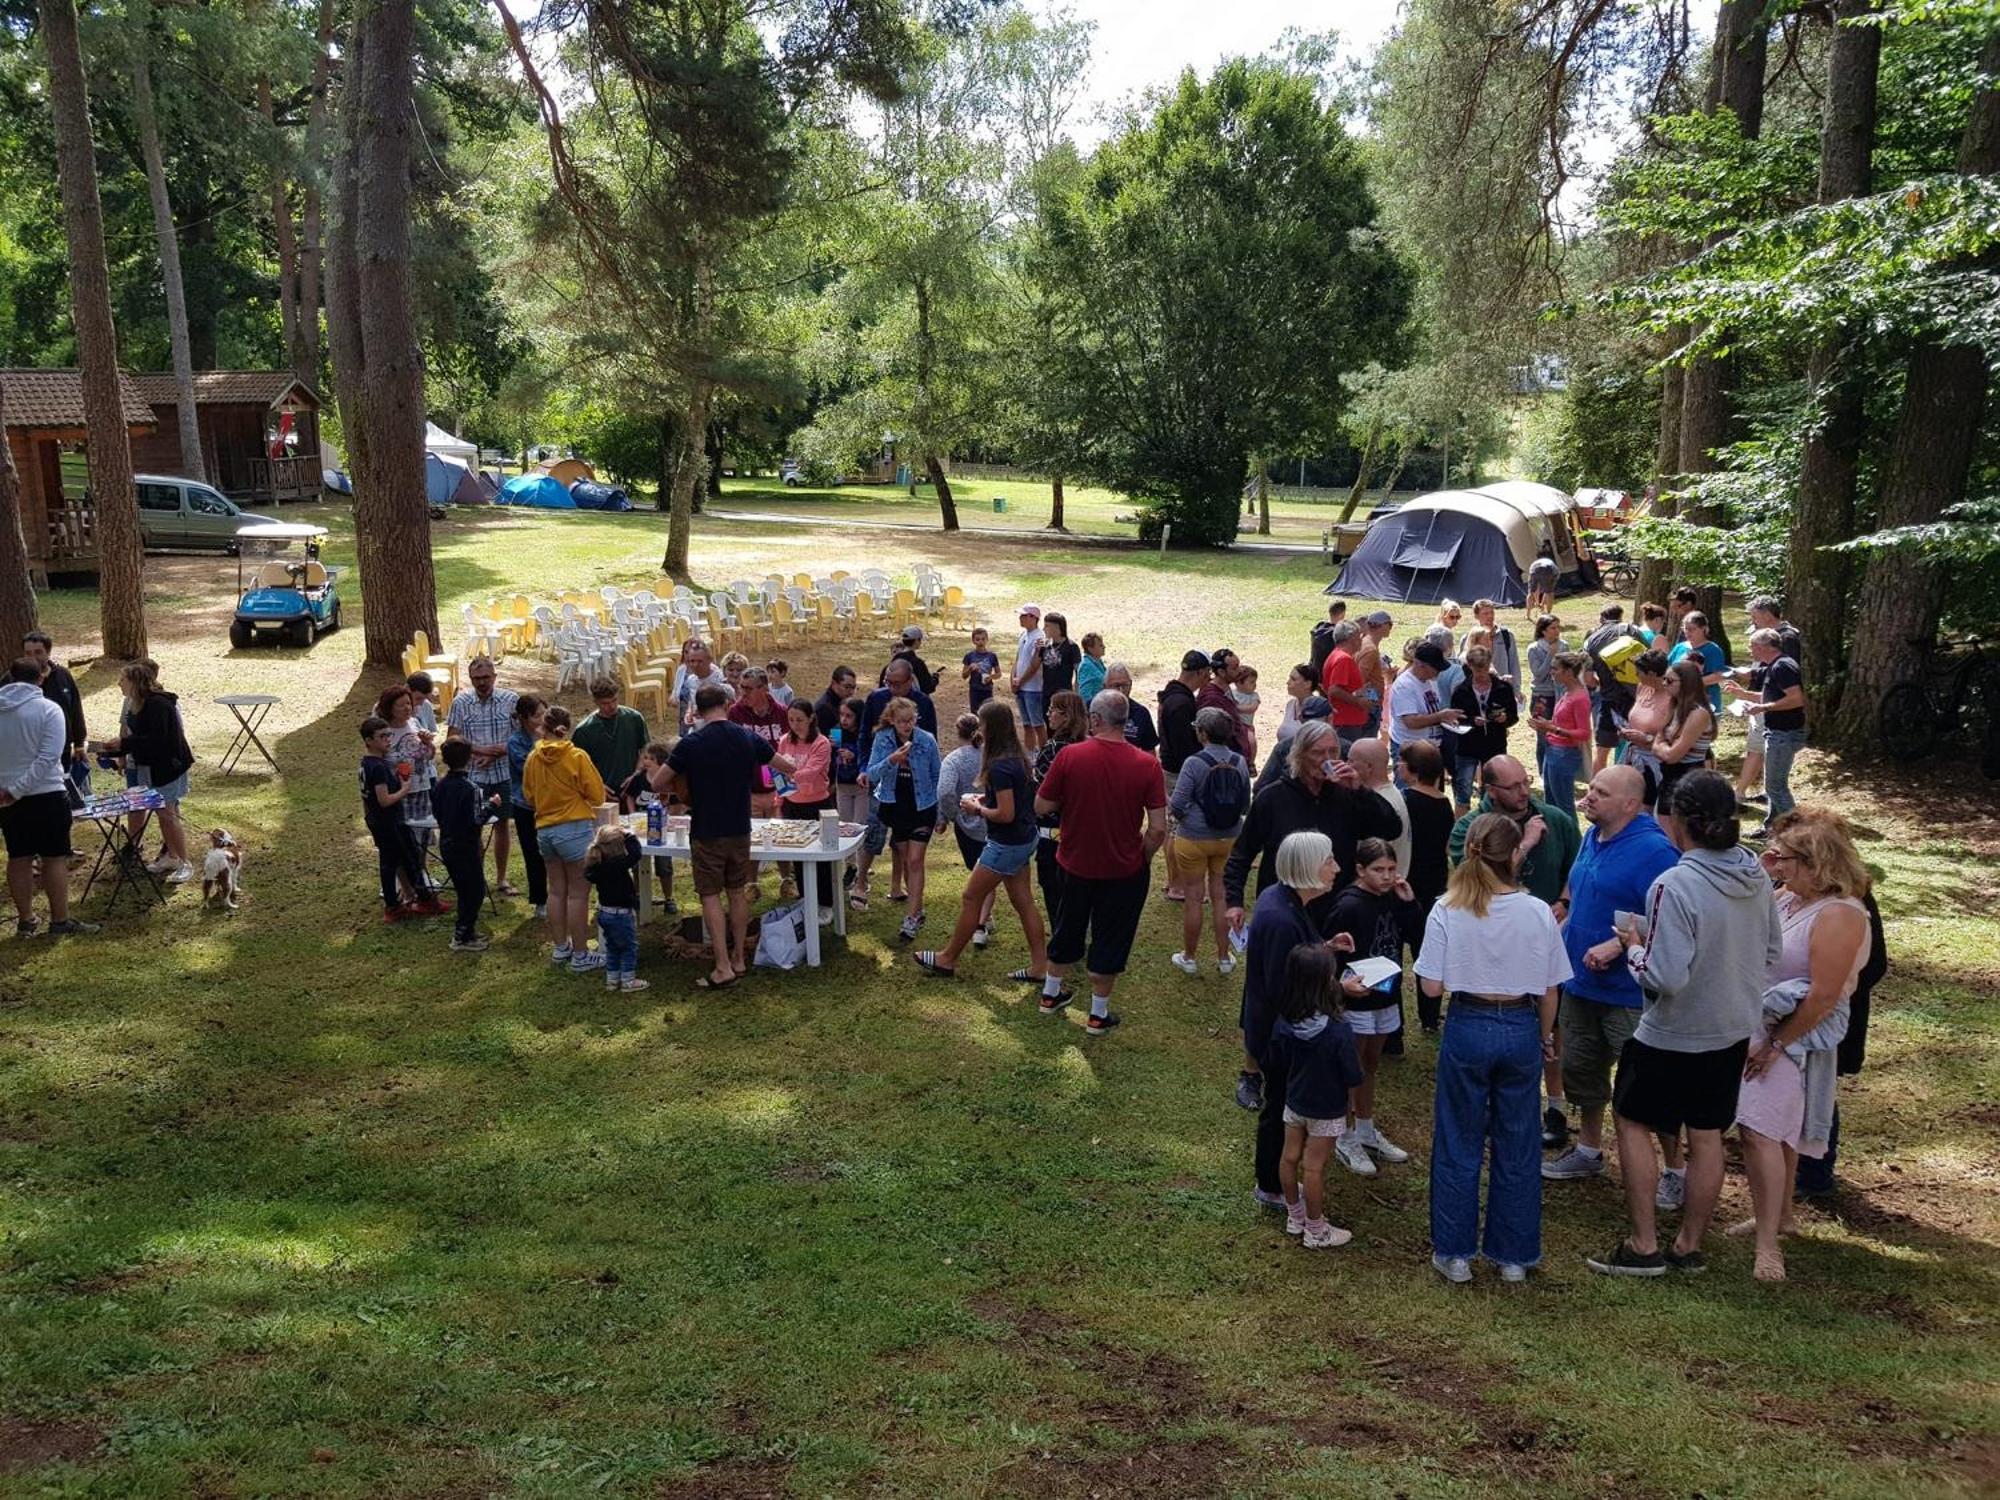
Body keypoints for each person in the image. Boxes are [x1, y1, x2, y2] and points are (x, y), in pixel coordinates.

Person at [1587, 772, 1781, 1278]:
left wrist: (1633, 945)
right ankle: (1688, 1245)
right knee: (1707, 1134)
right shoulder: (1757, 874)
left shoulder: (1673, 884)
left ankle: (1644, 1244)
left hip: (1673, 1032)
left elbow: (1664, 975)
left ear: (1676, 820)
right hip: (1732, 1027)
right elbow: (1771, 951)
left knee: (1631, 1120)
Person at [1417, 812, 1571, 1284]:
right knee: (1518, 1141)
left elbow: (1430, 988)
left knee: (1458, 1138)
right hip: (1521, 1025)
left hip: (1468, 1022)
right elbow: (1550, 990)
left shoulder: (1447, 907)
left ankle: (1456, 1252)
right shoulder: (1538, 911)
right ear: (1516, 856)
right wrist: (1544, 1036)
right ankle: (1513, 1256)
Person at [1729, 809, 1872, 1282]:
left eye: (1785, 857)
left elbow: (1824, 995)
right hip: (1761, 1025)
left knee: (1759, 1130)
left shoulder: (1841, 913)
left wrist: (1775, 1042)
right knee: (1778, 1129)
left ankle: (1768, 1247)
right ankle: (1781, 1214)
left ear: (1816, 862)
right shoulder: (1788, 896)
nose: (1776, 862)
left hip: (1793, 1036)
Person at [1543, 766, 1685, 1193]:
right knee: (1582, 1070)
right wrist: (1566, 910)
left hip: (1628, 993)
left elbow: (1670, 917)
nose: (1588, 797)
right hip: (1581, 983)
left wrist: (1619, 945)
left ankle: (1675, 1170)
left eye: (1600, 793)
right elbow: (1580, 878)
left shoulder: (1656, 852)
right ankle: (1588, 1149)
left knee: (1647, 1084)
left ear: (1629, 804)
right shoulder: (1593, 834)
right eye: (1590, 789)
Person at [1032, 691, 1168, 1037]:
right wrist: (1144, 857)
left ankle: (1050, 994)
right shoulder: (1147, 764)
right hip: (1123, 870)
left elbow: (1040, 806)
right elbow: (1157, 828)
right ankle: (1097, 1014)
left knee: (1067, 927)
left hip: (1074, 862)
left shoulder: (1070, 756)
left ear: (1094, 719)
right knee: (1110, 938)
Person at [912, 701, 1051, 985]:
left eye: (982, 724)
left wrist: (977, 809)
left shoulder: (1000, 766)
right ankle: (1041, 966)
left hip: (1005, 844)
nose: (979, 729)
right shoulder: (1017, 757)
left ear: (991, 728)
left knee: (971, 897)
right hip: (1024, 839)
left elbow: (1005, 813)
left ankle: (947, 958)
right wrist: (983, 800)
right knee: (1023, 901)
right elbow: (1011, 803)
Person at [1243, 831, 1348, 1206]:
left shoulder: (1284, 901)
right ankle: (1271, 1184)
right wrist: (1340, 990)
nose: (1336, 868)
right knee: (1280, 1108)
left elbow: (1294, 960)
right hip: (1280, 1038)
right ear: (1308, 867)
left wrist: (1325, 948)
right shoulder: (1282, 917)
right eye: (1329, 861)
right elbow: (1283, 987)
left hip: (1275, 1030)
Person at [666, 684, 792, 988]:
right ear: (727, 702)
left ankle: (721, 965)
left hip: (707, 830)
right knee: (737, 891)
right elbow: (785, 766)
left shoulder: (690, 744)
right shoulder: (747, 737)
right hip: (740, 828)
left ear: (697, 709)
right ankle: (738, 958)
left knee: (710, 895)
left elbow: (658, 781)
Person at [1223, 721, 1392, 927]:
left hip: (1335, 908)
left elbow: (1391, 828)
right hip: (1287, 909)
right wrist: (1234, 902)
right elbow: (1242, 853)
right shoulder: (1273, 798)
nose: (1327, 760)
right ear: (1300, 755)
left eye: (1333, 752)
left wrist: (1361, 791)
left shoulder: (1348, 796)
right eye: (1318, 753)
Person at [1323, 838, 1423, 1175]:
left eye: (1392, 869)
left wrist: (1409, 904)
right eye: (1378, 870)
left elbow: (1414, 935)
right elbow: (1331, 952)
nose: (1387, 876)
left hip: (1386, 995)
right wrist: (1340, 990)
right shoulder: (1349, 905)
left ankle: (1365, 1128)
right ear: (1360, 870)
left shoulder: (1394, 898)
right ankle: (1344, 1134)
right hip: (1357, 999)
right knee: (1352, 1066)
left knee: (1370, 1064)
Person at [1271, 944, 1364, 1250]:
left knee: (1288, 1157)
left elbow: (1278, 1059)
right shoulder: (1338, 1031)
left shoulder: (1285, 1021)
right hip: (1326, 1108)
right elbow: (1352, 1074)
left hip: (1295, 1100)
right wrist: (1350, 1104)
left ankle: (1294, 1215)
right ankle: (1316, 1229)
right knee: (1313, 1167)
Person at [0, 659, 95, 936]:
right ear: (40, 679)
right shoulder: (49, 709)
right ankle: (59, 921)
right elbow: (49, 757)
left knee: (19, 857)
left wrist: (9, 790)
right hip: (45, 793)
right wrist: (19, 788)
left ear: (9, 677)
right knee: (54, 858)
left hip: (7, 799)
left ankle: (26, 919)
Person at [521, 706, 608, 973]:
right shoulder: (576, 755)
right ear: (566, 728)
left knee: (556, 890)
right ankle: (581, 954)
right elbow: (597, 796)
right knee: (579, 894)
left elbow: (529, 796)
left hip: (545, 829)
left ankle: (561, 948)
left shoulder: (532, 757)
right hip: (574, 828)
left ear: (544, 728)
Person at [1167, 706, 1250, 977]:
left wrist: (1190, 817)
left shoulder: (1194, 763)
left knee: (1193, 897)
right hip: (1229, 837)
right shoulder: (1239, 762)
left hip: (1193, 838)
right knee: (1221, 897)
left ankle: (1189, 957)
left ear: (1202, 733)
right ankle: (1224, 958)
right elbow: (1245, 805)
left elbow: (1177, 803)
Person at [98, 660, 195, 882]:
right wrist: (117, 749)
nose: (118, 683)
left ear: (134, 681)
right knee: (162, 814)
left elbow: (158, 740)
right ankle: (171, 856)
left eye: (122, 679)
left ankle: (184, 862)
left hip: (167, 768)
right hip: (147, 766)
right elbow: (137, 738)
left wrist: (124, 744)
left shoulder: (158, 705)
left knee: (168, 815)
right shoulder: (136, 703)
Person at [1446, 753, 1581, 908]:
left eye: (1526, 782)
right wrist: (1525, 844)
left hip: (1548, 922)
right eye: (1514, 787)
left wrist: (1564, 902)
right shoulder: (1467, 830)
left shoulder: (1555, 820)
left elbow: (1579, 867)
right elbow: (1479, 883)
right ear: (1491, 790)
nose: (1524, 792)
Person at [866, 695, 941, 943]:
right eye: (902, 722)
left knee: (916, 859)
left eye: (911, 720)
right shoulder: (883, 739)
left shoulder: (927, 741)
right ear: (892, 721)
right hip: (895, 805)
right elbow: (872, 774)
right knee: (907, 861)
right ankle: (916, 908)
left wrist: (940, 815)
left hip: (923, 805)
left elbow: (937, 777)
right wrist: (892, 760)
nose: (907, 726)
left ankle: (910, 919)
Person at [1722, 627, 1807, 836]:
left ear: (1763, 646)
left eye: (1752, 646)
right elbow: (1770, 695)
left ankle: (1798, 833)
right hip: (1776, 732)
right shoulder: (1773, 666)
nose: (1750, 651)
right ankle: (1772, 828)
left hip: (1784, 734)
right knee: (1773, 785)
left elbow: (1796, 699)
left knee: (1776, 787)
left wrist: (1763, 708)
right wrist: (1743, 694)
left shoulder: (1783, 667)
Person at [446, 656, 519, 896]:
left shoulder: (511, 700)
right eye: (477, 679)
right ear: (471, 679)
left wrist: (496, 754)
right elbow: (453, 738)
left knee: (501, 825)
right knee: (473, 828)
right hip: (473, 776)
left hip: (502, 773)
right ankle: (476, 877)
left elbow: (522, 738)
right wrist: (480, 751)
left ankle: (501, 878)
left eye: (486, 678)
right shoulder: (461, 702)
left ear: (494, 677)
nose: (482, 683)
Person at [357, 715, 435, 925]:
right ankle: (405, 904)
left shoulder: (367, 764)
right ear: (368, 741)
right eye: (382, 736)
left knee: (394, 861)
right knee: (402, 860)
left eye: (389, 735)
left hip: (379, 820)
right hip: (388, 821)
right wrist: (404, 789)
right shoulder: (378, 767)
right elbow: (384, 800)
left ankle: (404, 902)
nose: (388, 740)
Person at [1399, 741, 1455, 1031]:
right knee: (1428, 953)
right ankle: (1430, 1017)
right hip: (1434, 884)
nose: (1398, 767)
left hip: (1406, 882)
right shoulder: (1444, 804)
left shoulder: (1404, 801)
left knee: (1393, 951)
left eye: (1401, 763)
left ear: (1412, 770)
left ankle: (1392, 1021)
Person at [1730, 597, 1803, 808]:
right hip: (1773, 714)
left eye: (1755, 616)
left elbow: (1789, 689)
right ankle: (1772, 818)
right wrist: (1745, 691)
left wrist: (1761, 703)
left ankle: (1743, 795)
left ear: (1767, 614)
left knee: (1773, 779)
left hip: (1781, 722)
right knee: (1773, 780)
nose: (1753, 621)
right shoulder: (1777, 651)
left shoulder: (1785, 646)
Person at [433, 738, 500, 952]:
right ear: (470, 758)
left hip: (448, 844)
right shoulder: (471, 788)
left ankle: (467, 931)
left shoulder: (440, 785)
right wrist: (492, 805)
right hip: (466, 846)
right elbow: (477, 819)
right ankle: (461, 935)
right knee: (475, 891)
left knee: (463, 890)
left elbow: (437, 814)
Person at [1030, 690, 1088, 940]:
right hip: (1083, 832)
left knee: (1053, 889)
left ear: (1066, 716)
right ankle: (1078, 934)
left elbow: (1042, 797)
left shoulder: (1053, 750)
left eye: (1053, 709)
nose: (1048, 714)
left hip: (1052, 835)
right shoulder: (1089, 747)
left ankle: (1062, 937)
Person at [933, 713, 993, 937]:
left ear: (958, 733)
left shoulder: (953, 760)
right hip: (993, 820)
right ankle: (983, 920)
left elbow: (945, 791)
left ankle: (981, 922)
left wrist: (949, 816)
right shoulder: (991, 756)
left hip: (967, 825)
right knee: (988, 872)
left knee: (978, 871)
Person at [375, 683, 435, 891]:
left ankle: (422, 875)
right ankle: (404, 884)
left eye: (408, 703)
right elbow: (379, 762)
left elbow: (428, 756)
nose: (407, 708)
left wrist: (428, 744)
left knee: (422, 836)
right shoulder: (385, 732)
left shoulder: (415, 723)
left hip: (421, 787)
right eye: (401, 705)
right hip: (399, 794)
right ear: (389, 707)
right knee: (402, 840)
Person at [778, 700, 835, 916]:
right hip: (792, 805)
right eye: (791, 720)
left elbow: (812, 771)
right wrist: (780, 797)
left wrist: (787, 773)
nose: (795, 724)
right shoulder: (785, 740)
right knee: (798, 856)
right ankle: (805, 899)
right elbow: (777, 774)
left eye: (799, 720)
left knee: (821, 857)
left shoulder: (821, 743)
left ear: (811, 718)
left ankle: (826, 903)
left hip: (817, 805)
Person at [1635, 659, 1717, 807]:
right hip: (1668, 777)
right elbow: (1656, 744)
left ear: (1686, 683)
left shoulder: (1698, 713)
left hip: (1689, 780)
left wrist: (1662, 746)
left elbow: (1672, 755)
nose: (1664, 683)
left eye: (1670, 680)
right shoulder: (1674, 707)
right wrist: (1662, 746)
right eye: (1664, 679)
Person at [583, 822, 648, 993]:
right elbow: (636, 854)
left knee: (612, 946)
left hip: (604, 912)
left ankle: (612, 979)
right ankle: (628, 980)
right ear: (617, 848)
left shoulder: (596, 866)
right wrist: (630, 835)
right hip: (621, 914)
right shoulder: (617, 865)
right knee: (628, 947)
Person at [1449, 645, 1517, 809]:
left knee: (1492, 791)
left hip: (1494, 744)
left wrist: (1505, 718)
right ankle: (1462, 827)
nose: (1481, 673)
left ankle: (1489, 823)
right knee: (1463, 791)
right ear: (1469, 667)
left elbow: (1513, 716)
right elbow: (1456, 719)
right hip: (1468, 746)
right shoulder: (1461, 691)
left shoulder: (1503, 688)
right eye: (1477, 669)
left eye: (1485, 668)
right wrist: (1472, 721)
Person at [23, 631, 86, 801]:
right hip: (29, 752)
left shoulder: (63, 675)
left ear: (48, 652)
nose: (33, 657)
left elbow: (75, 709)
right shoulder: (15, 679)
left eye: (38, 652)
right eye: (28, 653)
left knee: (61, 796)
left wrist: (79, 743)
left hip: (62, 749)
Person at [1528, 651, 1591, 818]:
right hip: (1553, 750)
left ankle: (1571, 840)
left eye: (1555, 669)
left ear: (1569, 672)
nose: (1552, 672)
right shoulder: (1567, 692)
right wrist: (1544, 725)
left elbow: (1583, 733)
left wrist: (1552, 729)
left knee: (1563, 806)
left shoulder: (1579, 698)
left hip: (1565, 754)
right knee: (1551, 802)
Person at [506, 695, 550, 918]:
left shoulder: (552, 737)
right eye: (536, 716)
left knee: (554, 852)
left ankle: (559, 896)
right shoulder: (515, 742)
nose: (542, 719)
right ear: (523, 718)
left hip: (551, 804)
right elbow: (530, 770)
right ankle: (540, 900)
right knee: (533, 853)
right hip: (525, 805)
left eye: (544, 713)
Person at [1388, 642, 1462, 760]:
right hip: (1410, 749)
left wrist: (1447, 718)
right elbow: (1411, 722)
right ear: (1421, 665)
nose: (1439, 672)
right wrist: (1440, 716)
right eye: (1436, 668)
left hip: (1431, 747)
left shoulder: (1431, 680)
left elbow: (1433, 709)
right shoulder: (1405, 685)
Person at [572, 680, 649, 792]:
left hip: (632, 785)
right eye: (605, 703)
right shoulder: (584, 730)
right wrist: (597, 786)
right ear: (596, 702)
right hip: (602, 789)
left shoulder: (634, 718)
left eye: (614, 700)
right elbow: (579, 767)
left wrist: (637, 773)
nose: (612, 706)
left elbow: (645, 748)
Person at [1619, 651, 1674, 806]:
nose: (1636, 675)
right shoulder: (1642, 687)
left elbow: (1675, 736)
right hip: (1632, 755)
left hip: (1656, 761)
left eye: (1639, 672)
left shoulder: (1672, 697)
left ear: (1651, 673)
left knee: (1647, 806)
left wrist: (1648, 739)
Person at [832, 697, 872, 909]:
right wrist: (834, 753)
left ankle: (862, 873)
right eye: (842, 715)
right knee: (845, 825)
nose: (844, 720)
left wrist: (854, 754)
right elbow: (831, 755)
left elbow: (870, 757)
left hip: (862, 787)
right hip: (843, 785)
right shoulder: (836, 731)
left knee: (859, 825)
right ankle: (851, 866)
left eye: (849, 716)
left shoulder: (866, 734)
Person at [1525, 615, 1567, 785]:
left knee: (1559, 734)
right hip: (1542, 697)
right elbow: (1539, 674)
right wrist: (1551, 655)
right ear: (1543, 630)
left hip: (1560, 695)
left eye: (1558, 627)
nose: (1557, 631)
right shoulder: (1533, 649)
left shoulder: (1564, 646)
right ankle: (1543, 772)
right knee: (1543, 737)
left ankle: (1557, 770)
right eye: (1553, 628)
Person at [1666, 611, 1728, 715]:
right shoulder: (1680, 647)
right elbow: (1668, 668)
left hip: (1705, 702)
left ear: (1704, 629)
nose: (1688, 632)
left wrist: (1689, 683)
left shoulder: (1713, 650)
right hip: (1680, 701)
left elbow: (1718, 676)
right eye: (1686, 629)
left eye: (1692, 629)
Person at [1320, 624, 1370, 753]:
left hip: (1344, 720)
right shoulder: (1344, 659)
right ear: (1351, 638)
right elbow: (1334, 690)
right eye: (1359, 636)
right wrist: (1358, 702)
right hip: (1347, 722)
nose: (1361, 640)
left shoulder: (1336, 655)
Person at [1010, 604, 1047, 750]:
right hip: (1021, 686)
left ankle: (1043, 754)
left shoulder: (1039, 637)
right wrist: (1013, 678)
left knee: (1037, 724)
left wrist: (1021, 680)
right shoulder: (1024, 635)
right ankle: (1030, 753)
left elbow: (1035, 664)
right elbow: (1018, 658)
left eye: (1024, 616)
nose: (1020, 618)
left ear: (1033, 618)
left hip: (1033, 688)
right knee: (1026, 724)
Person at [1101, 664, 1158, 753]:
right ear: (1105, 686)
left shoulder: (1140, 713)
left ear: (1131, 685)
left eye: (1125, 685)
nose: (1121, 690)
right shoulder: (1092, 709)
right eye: (1116, 686)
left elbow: (1150, 752)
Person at [1465, 599, 1521, 686]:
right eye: (1485, 613)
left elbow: (1514, 665)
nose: (1490, 616)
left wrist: (1516, 690)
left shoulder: (1506, 635)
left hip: (1503, 688)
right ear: (1476, 616)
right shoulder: (1468, 637)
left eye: (1492, 612)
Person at [671, 639, 726, 728]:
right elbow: (691, 701)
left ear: (709, 660)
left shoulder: (719, 679)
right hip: (697, 727)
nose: (695, 665)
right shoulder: (691, 680)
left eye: (700, 661)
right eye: (692, 661)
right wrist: (689, 713)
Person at [1356, 611, 1393, 741]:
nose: (1391, 627)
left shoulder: (1365, 642)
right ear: (1382, 626)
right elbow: (1360, 679)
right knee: (1367, 741)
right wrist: (1371, 700)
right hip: (1370, 706)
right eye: (1390, 624)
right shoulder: (1370, 649)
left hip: (1368, 702)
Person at [882, 625, 939, 695]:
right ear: (916, 642)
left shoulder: (891, 664)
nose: (920, 642)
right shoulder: (917, 663)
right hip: (912, 704)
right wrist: (934, 679)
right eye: (920, 640)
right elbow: (928, 688)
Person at [1308, 598, 1347, 679]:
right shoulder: (1337, 633)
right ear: (1342, 614)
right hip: (1328, 674)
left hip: (1314, 671)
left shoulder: (1319, 628)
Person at [1229, 665, 1261, 763]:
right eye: (1251, 682)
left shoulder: (1254, 696)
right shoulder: (1232, 694)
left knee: (1251, 741)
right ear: (1239, 683)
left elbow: (1252, 708)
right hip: (1234, 724)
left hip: (1247, 725)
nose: (1255, 685)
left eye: (1255, 682)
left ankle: (1251, 762)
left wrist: (1236, 708)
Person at [962, 630, 999, 711]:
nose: (980, 642)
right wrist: (969, 669)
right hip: (974, 689)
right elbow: (964, 676)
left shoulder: (992, 656)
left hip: (987, 689)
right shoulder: (969, 656)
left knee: (988, 713)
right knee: (975, 712)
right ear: (973, 641)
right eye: (977, 639)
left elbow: (998, 674)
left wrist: (991, 677)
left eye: (983, 639)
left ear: (987, 640)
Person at [815, 665, 859, 733]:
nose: (851, 692)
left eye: (853, 688)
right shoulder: (824, 709)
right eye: (847, 687)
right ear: (834, 684)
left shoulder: (849, 704)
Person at [1526, 543, 1559, 617]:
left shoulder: (1536, 562)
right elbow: (1547, 591)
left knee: (1531, 592)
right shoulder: (1553, 567)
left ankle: (1528, 614)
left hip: (1533, 568)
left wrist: (1539, 603)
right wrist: (1541, 603)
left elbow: (1537, 590)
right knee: (1549, 592)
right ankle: (1548, 614)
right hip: (1548, 569)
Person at [1077, 632, 1107, 703]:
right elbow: (1084, 693)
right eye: (1100, 645)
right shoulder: (1086, 666)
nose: (1104, 646)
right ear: (1090, 648)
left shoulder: (1098, 661)